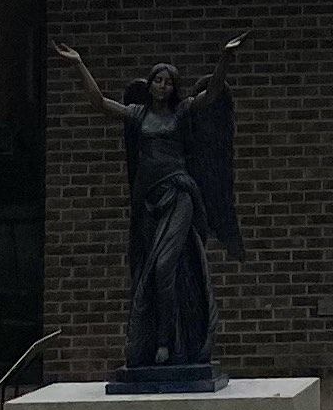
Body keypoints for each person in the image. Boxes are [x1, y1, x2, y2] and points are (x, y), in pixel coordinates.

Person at [54, 35, 245, 375]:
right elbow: (99, 102)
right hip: (149, 202)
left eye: (168, 82)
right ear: (151, 84)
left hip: (179, 194)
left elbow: (213, 94)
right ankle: (159, 339)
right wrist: (78, 63)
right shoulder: (137, 115)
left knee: (164, 267)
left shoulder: (183, 112)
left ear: (174, 88)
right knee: (148, 270)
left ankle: (163, 342)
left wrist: (225, 58)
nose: (162, 86)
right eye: (158, 79)